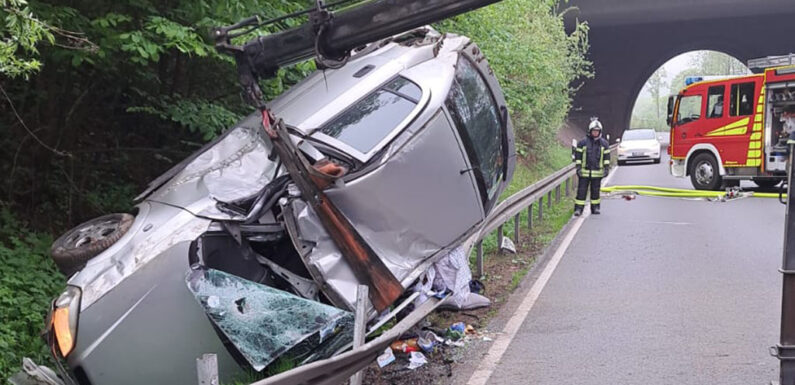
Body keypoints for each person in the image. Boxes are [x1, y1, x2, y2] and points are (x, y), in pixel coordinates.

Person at [572, 118, 610, 216]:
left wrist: (606, 169)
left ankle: (595, 208)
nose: (595, 133)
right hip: (584, 173)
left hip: (597, 173)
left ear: (600, 132)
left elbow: (606, 158)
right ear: (590, 131)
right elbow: (578, 157)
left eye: (597, 131)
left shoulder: (604, 144)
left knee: (595, 192)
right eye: (594, 131)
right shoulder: (582, 143)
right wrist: (579, 168)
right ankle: (578, 209)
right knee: (581, 192)